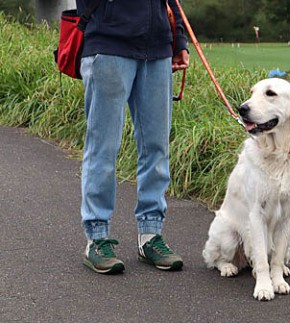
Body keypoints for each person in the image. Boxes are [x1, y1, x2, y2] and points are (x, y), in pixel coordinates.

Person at [76, 0, 190, 274]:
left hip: (158, 48)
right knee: (103, 148)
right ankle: (97, 238)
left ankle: (150, 235)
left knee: (156, 147)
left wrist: (179, 39)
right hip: (109, 43)